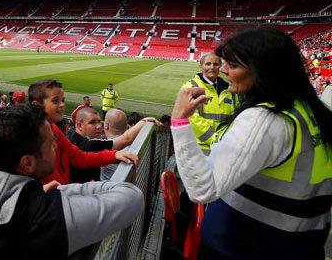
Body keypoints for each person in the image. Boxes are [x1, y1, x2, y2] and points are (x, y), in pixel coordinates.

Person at [170, 28, 332, 259]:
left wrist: (179, 120)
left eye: (232, 65)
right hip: (301, 245)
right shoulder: (310, 111)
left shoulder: (264, 119)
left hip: (245, 246)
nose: (223, 70)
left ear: (263, 71)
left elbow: (202, 190)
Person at [0, 104, 144, 259]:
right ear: (28, 162)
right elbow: (133, 197)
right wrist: (63, 193)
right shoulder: (51, 214)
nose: (57, 149)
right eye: (51, 145)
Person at [28, 79, 137, 185]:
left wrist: (113, 156)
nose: (62, 105)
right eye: (55, 101)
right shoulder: (30, 135)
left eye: (63, 100)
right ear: (37, 105)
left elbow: (77, 156)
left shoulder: (54, 130)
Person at [68, 107, 157, 183]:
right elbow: (126, 139)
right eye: (92, 122)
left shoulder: (70, 137)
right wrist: (144, 120)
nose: (99, 126)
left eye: (99, 122)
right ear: (79, 126)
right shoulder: (89, 144)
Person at [181, 52, 237, 156]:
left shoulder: (230, 90)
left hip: (225, 151)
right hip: (198, 152)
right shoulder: (190, 87)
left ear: (220, 67)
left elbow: (237, 116)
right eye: (208, 64)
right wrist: (215, 139)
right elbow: (192, 118)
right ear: (200, 66)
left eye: (216, 64)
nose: (212, 67)